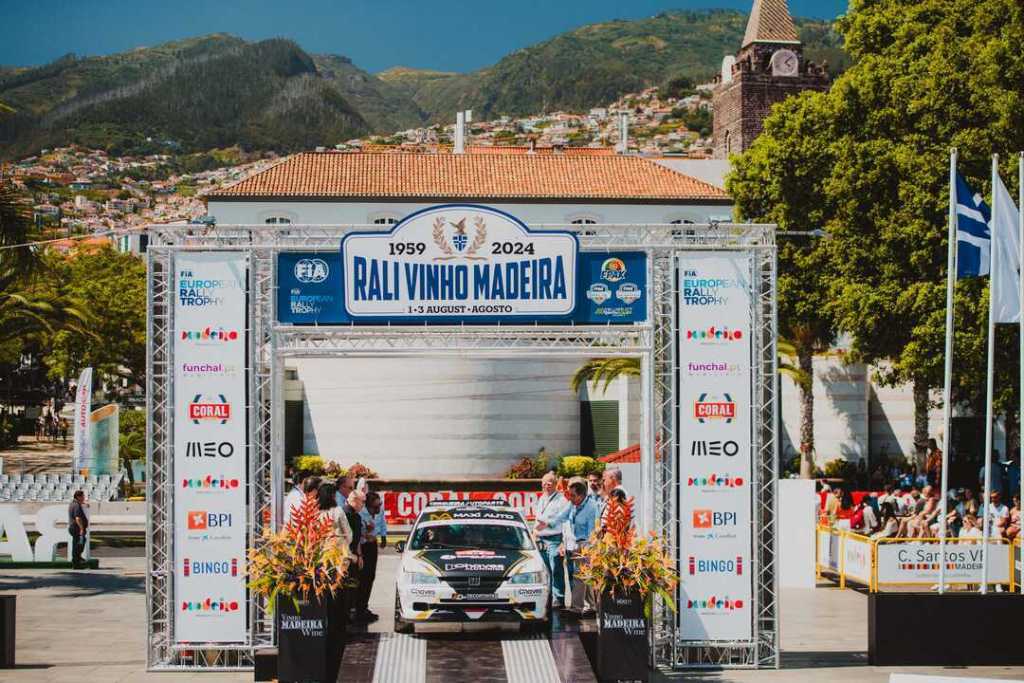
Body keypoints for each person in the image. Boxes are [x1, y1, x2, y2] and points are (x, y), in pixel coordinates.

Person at [563, 480, 600, 617]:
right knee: (586, 577)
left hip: (586, 545)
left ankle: (576, 608)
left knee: (579, 576)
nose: (570, 498)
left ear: (581, 495)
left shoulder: (591, 507)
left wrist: (589, 549)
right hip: (578, 544)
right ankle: (591, 606)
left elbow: (593, 530)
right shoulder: (575, 506)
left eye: (573, 495)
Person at [533, 471, 570, 608]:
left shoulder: (562, 500)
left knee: (556, 570)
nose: (546, 486)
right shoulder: (541, 498)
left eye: (549, 483)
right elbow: (538, 519)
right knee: (545, 571)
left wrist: (563, 542)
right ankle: (548, 597)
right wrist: (534, 533)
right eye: (544, 483)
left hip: (555, 539)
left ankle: (559, 598)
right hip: (540, 539)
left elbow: (565, 521)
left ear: (555, 484)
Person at [356, 490, 386, 624]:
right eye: (376, 506)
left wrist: (383, 536)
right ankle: (359, 609)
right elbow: (357, 534)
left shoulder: (379, 511)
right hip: (363, 547)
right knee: (363, 578)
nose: (379, 508)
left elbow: (383, 522)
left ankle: (364, 606)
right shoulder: (361, 514)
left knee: (370, 577)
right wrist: (365, 535)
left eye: (380, 505)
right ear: (368, 506)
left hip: (372, 545)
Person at [343, 490, 367, 623]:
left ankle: (349, 613)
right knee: (346, 588)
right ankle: (344, 615)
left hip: (354, 556)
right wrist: (351, 556)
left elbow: (356, 539)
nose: (364, 504)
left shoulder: (356, 516)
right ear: (355, 500)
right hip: (345, 557)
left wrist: (360, 555)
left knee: (353, 586)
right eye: (363, 501)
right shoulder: (345, 514)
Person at [68, 490, 89, 568]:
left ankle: (77, 560)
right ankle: (76, 561)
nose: (84, 498)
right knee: (79, 544)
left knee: (77, 543)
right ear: (78, 497)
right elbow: (78, 518)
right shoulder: (77, 505)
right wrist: (81, 529)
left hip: (74, 528)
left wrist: (84, 504)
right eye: (83, 496)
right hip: (77, 528)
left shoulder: (73, 504)